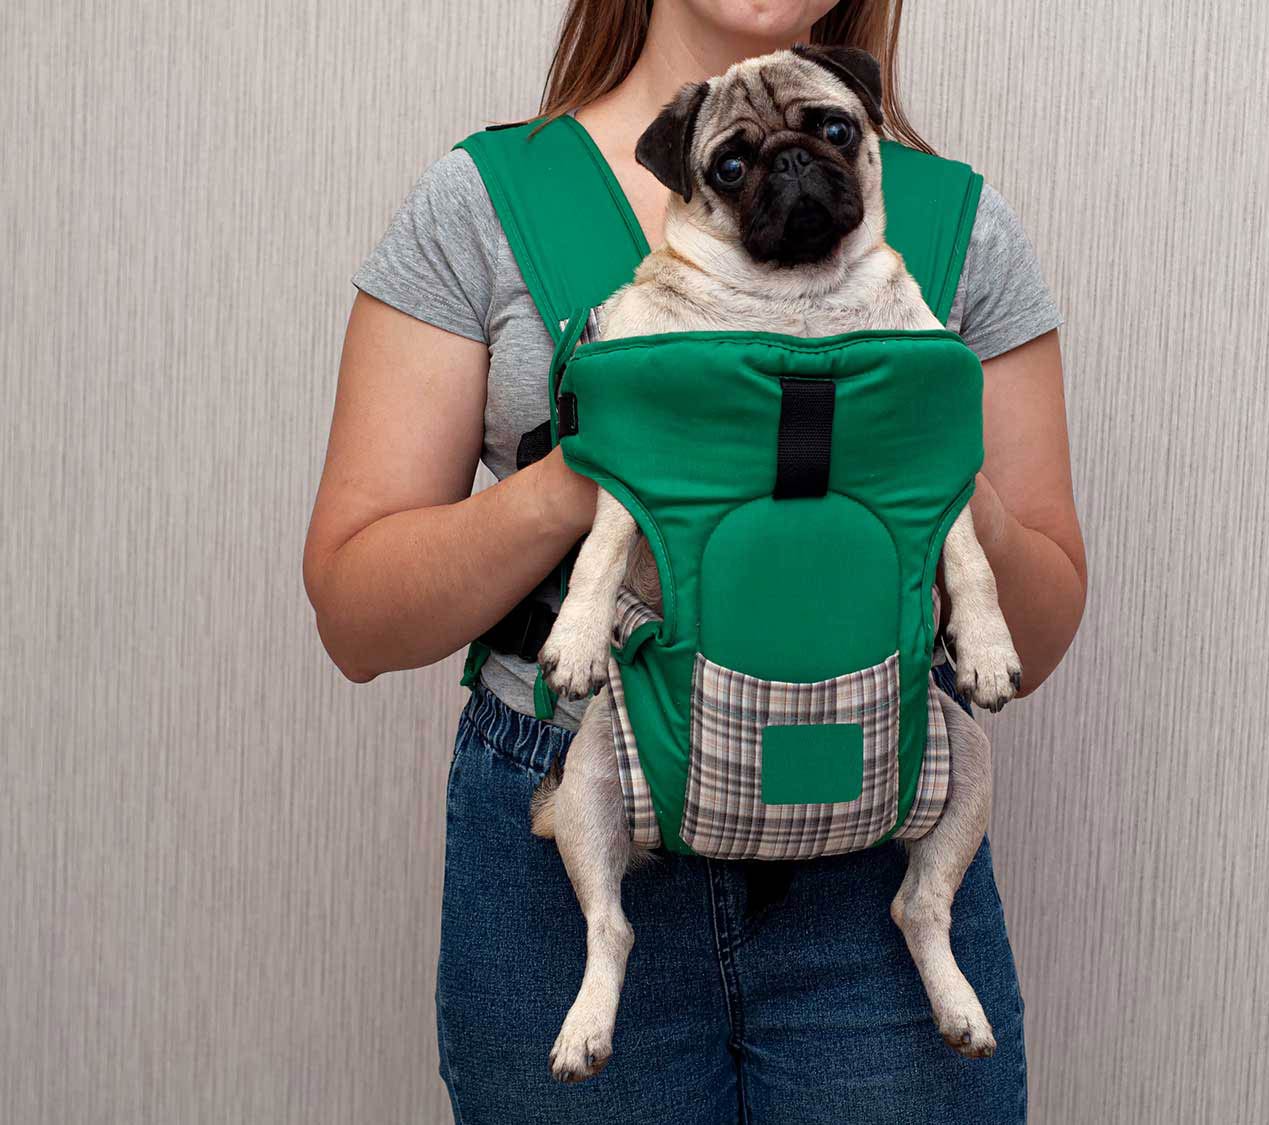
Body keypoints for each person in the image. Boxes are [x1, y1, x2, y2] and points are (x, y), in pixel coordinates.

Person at [303, 1, 1086, 1120]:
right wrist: (606, 462)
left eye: (824, 136)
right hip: (575, 819)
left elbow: (1039, 636)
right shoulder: (487, 201)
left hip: (871, 841)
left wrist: (935, 465)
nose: (794, 166)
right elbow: (355, 618)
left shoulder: (960, 224)